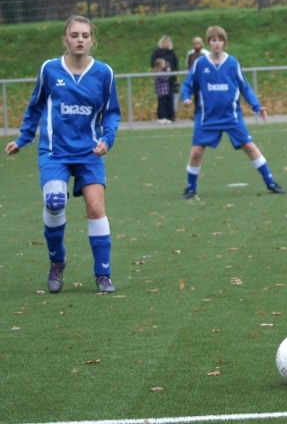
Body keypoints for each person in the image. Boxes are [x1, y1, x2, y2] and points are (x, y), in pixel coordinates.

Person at [4, 15, 121, 293]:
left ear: (92, 39)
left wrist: (107, 139)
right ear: (65, 39)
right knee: (55, 202)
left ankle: (103, 274)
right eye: (74, 35)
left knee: (95, 207)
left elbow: (112, 113)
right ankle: (57, 262)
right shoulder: (50, 70)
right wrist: (24, 138)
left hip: (90, 152)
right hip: (54, 152)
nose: (80, 40)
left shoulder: (104, 73)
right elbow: (35, 107)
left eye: (85, 35)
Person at [180, 25, 285, 198]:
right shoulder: (200, 63)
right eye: (213, 40)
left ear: (225, 42)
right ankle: (191, 189)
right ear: (209, 42)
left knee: (250, 147)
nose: (217, 43)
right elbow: (187, 84)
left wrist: (257, 106)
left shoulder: (232, 63)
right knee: (196, 152)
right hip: (207, 117)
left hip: (231, 116)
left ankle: (270, 182)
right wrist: (186, 97)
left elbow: (245, 87)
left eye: (220, 40)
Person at [150, 35, 179, 115]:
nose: (166, 44)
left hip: (171, 78)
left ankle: (171, 115)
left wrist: (173, 73)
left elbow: (176, 64)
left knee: (171, 97)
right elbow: (153, 63)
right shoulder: (157, 52)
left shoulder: (172, 52)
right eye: (164, 42)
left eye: (167, 42)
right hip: (161, 79)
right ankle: (162, 115)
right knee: (162, 98)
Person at [186, 36, 206, 119]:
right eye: (195, 43)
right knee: (196, 97)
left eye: (198, 43)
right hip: (195, 78)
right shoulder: (191, 55)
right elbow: (188, 65)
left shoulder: (204, 54)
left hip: (203, 78)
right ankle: (197, 113)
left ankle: (204, 112)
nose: (197, 45)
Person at [152, 57, 173, 123]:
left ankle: (164, 116)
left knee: (164, 104)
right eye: (163, 63)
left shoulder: (162, 71)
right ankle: (161, 117)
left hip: (165, 90)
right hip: (162, 91)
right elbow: (165, 78)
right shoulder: (158, 72)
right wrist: (168, 72)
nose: (165, 65)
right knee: (162, 104)